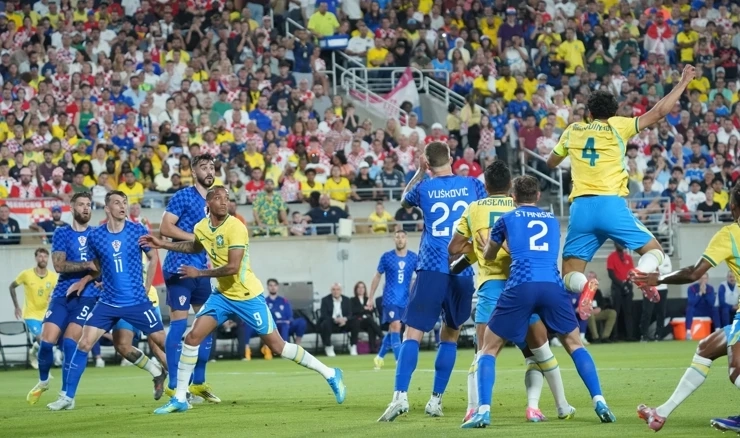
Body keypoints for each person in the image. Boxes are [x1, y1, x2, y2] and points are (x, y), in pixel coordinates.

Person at [141, 186, 346, 414]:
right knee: (192, 337)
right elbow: (195, 245)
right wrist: (163, 244)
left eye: (227, 198)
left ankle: (330, 373)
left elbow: (233, 267)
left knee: (278, 347)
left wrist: (200, 273)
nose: (224, 202)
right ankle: (180, 397)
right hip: (222, 296)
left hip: (247, 296)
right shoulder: (201, 227)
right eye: (218, 198)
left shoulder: (236, 226)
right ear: (208, 203)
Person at [463, 175, 614, 428]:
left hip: (521, 285)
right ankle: (600, 401)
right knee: (575, 344)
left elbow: (489, 256)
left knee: (488, 348)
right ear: (538, 196)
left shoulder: (506, 219)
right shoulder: (552, 220)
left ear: (513, 197)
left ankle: (483, 411)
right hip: (551, 285)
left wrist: (491, 245)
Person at [546, 64, 697, 317]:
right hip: (610, 206)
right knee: (655, 252)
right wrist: (682, 83)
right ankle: (642, 272)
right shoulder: (618, 126)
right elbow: (659, 112)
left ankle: (586, 286)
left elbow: (550, 162)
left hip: (581, 209)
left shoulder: (573, 130)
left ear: (589, 113)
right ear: (614, 112)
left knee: (569, 273)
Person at [449, 161, 575, 423]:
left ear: (485, 186)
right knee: (538, 353)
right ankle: (548, 406)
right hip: (521, 287)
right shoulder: (519, 209)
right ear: (510, 187)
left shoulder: (473, 209)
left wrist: (478, 248)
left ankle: (474, 409)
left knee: (483, 353)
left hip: (491, 288)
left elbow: (454, 248)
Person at [378, 141, 486, 422]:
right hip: (462, 269)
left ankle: (400, 397)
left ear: (427, 163)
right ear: (451, 157)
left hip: (432, 266)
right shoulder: (473, 185)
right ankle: (435, 400)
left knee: (411, 334)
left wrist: (418, 172)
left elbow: (404, 200)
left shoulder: (423, 187)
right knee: (450, 335)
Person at [634, 183, 740, 433]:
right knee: (706, 348)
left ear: (732, 206)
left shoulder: (730, 234)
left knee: (736, 369)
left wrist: (659, 279)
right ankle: (661, 413)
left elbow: (694, 272)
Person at [47, 191, 166, 411]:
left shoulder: (138, 230)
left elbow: (153, 257)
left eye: (125, 202)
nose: (123, 206)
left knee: (162, 342)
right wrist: (85, 281)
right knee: (88, 344)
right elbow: (97, 266)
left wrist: (147, 287)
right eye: (117, 203)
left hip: (136, 300)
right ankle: (67, 397)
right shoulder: (96, 236)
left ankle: (185, 387)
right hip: (108, 302)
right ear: (107, 208)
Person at [159, 154, 219, 403]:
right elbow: (165, 228)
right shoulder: (183, 196)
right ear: (194, 172)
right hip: (179, 267)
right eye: (203, 167)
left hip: (202, 270)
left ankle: (198, 383)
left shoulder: (215, 200)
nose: (209, 171)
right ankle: (174, 385)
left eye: (212, 167)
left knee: (207, 325)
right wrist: (195, 238)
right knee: (179, 325)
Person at [26, 193, 97, 405]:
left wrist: (86, 278)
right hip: (62, 294)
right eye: (81, 204)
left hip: (87, 296)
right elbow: (58, 265)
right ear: (72, 208)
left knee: (69, 343)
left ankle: (66, 395)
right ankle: (44, 380)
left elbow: (101, 267)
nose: (86, 208)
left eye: (89, 205)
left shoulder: (97, 234)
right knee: (46, 342)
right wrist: (88, 265)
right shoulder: (62, 232)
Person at [366, 230, 417, 370]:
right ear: (394, 240)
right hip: (390, 299)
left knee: (393, 330)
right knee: (396, 326)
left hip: (405, 300)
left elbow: (420, 276)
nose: (400, 239)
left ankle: (379, 357)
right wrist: (370, 297)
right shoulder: (387, 257)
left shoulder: (413, 258)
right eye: (397, 237)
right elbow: (377, 276)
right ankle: (399, 360)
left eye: (402, 237)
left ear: (406, 239)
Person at [9, 248, 58, 369]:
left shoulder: (53, 277)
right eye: (40, 256)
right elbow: (12, 286)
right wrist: (16, 306)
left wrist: (52, 298)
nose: (43, 259)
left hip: (46, 314)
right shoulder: (26, 274)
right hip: (31, 314)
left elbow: (59, 292)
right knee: (42, 340)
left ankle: (34, 349)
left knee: (50, 340)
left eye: (45, 257)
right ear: (36, 258)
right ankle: (44, 368)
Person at [606, 243, 635, 340]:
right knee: (616, 312)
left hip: (628, 286)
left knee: (629, 312)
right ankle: (615, 336)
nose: (621, 245)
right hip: (617, 287)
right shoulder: (611, 257)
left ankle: (629, 335)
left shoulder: (628, 257)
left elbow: (632, 273)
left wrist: (628, 284)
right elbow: (611, 274)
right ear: (615, 245)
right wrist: (622, 285)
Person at [319, 283, 358, 356]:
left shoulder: (347, 300)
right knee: (325, 323)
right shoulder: (325, 300)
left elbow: (350, 314)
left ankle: (353, 345)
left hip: (344, 323)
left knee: (355, 322)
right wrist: (335, 320)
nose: (336, 291)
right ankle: (328, 346)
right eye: (333, 289)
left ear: (341, 291)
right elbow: (323, 315)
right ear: (331, 291)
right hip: (331, 323)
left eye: (338, 289)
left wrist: (344, 319)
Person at [640, 256, 672, 342]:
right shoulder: (646, 257)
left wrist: (657, 269)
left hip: (662, 288)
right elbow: (643, 271)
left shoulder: (666, 258)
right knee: (647, 312)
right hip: (649, 288)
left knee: (661, 312)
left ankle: (658, 335)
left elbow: (668, 271)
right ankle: (644, 335)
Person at [350, 282, 384, 354]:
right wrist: (364, 309)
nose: (361, 289)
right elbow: (353, 311)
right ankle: (382, 336)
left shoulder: (368, 299)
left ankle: (372, 349)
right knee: (369, 320)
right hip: (357, 322)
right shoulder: (352, 300)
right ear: (356, 289)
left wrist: (369, 309)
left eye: (362, 287)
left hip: (367, 321)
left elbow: (372, 311)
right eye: (359, 287)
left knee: (370, 326)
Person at [685, 274, 720, 338]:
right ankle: (688, 332)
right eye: (701, 278)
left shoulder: (710, 288)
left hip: (706, 310)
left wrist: (705, 293)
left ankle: (718, 331)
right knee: (690, 308)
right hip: (696, 310)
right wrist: (700, 293)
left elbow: (712, 303)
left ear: (707, 279)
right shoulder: (691, 288)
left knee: (715, 309)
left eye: (705, 278)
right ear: (698, 279)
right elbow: (691, 303)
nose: (703, 280)